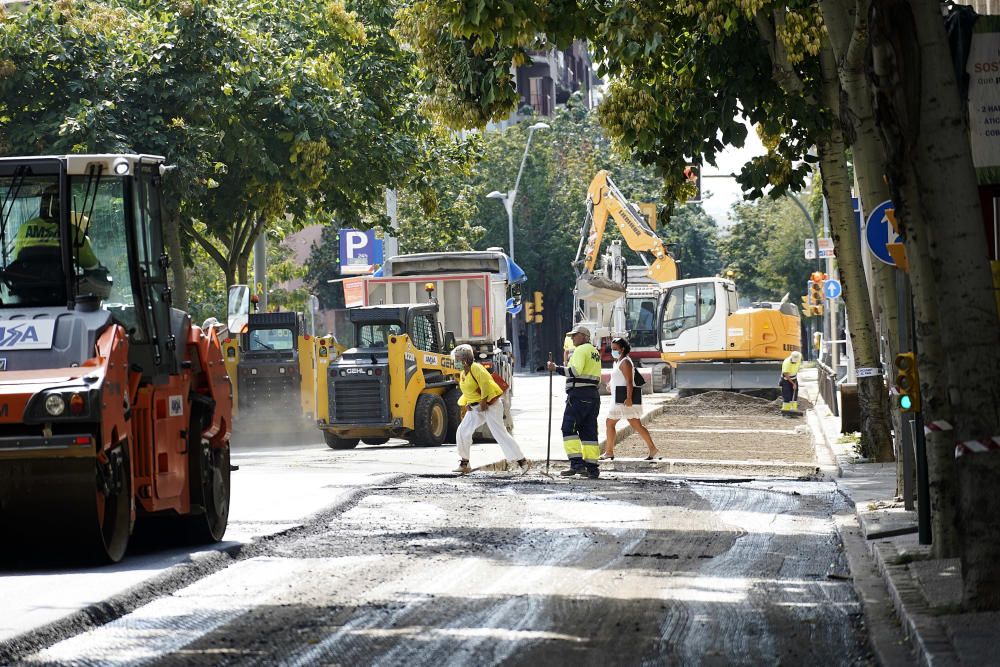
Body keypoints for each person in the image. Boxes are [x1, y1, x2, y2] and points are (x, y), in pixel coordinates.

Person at [451, 344, 531, 475]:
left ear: (465, 360)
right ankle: (464, 463)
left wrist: (483, 401)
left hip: (490, 405)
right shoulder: (463, 374)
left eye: (457, 359)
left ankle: (522, 462)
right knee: (462, 431)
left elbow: (486, 384)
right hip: (475, 407)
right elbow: (467, 390)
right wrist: (466, 402)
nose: (456, 362)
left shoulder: (476, 368)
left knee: (499, 433)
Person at [547, 324, 602, 479]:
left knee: (568, 428)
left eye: (575, 335)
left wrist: (555, 368)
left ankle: (577, 464)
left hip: (579, 396)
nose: (572, 338)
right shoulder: (594, 351)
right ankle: (592, 468)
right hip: (593, 396)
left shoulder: (580, 350)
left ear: (584, 336)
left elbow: (574, 372)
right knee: (588, 431)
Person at [602, 337, 659, 461]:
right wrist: (610, 385)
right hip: (618, 398)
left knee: (611, 423)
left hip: (624, 399)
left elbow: (629, 382)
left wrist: (628, 398)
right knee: (635, 425)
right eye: (612, 349)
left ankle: (609, 451)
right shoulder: (618, 361)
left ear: (622, 349)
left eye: (615, 349)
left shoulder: (625, 362)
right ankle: (652, 448)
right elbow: (618, 378)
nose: (613, 351)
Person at [780, 350, 802, 416]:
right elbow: (786, 375)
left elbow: (797, 369)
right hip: (786, 380)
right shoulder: (787, 363)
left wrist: (795, 382)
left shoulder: (798, 358)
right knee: (787, 396)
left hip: (794, 378)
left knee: (794, 395)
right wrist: (793, 384)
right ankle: (786, 412)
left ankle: (793, 411)